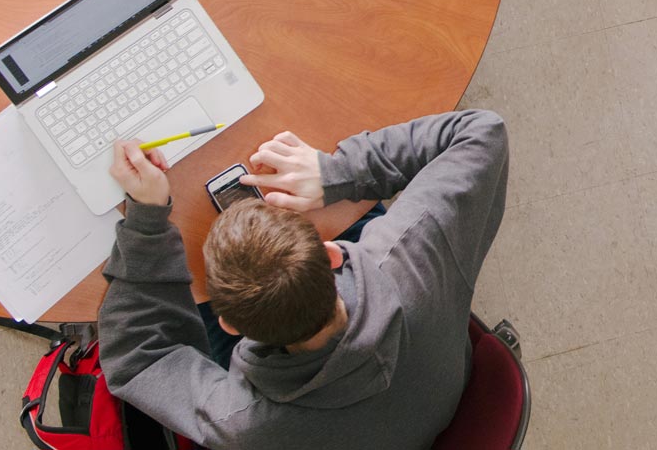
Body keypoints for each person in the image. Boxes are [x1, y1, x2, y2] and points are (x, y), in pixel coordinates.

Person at [97, 110, 509, 448]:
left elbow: (137, 358)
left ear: (233, 327)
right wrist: (337, 174)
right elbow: (482, 131)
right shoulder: (413, 254)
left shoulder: (246, 425)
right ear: (329, 253)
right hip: (430, 387)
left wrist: (147, 219)